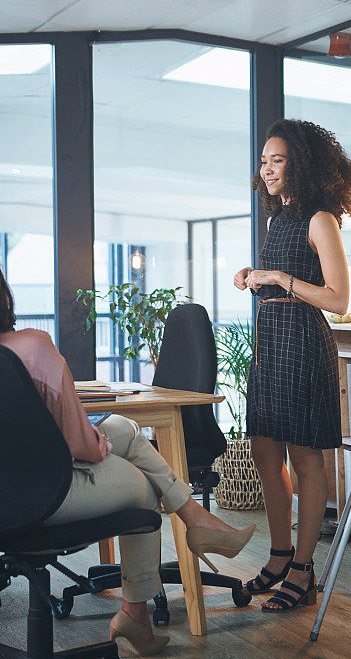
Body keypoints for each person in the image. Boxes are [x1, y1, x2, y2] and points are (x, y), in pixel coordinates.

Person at [0, 269, 255, 655]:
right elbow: (78, 445)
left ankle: (198, 521)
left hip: (10, 489)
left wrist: (96, 439)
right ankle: (135, 612)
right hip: (43, 495)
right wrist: (95, 445)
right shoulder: (32, 347)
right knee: (142, 483)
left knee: (123, 427)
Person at [234, 118, 351, 612]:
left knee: (307, 460)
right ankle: (281, 553)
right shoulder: (274, 220)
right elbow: (278, 280)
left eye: (277, 160)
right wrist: (254, 276)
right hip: (271, 345)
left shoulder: (320, 220)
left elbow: (339, 298)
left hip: (305, 346)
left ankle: (304, 572)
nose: (266, 169)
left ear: (299, 164)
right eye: (263, 160)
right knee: (266, 453)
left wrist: (280, 278)